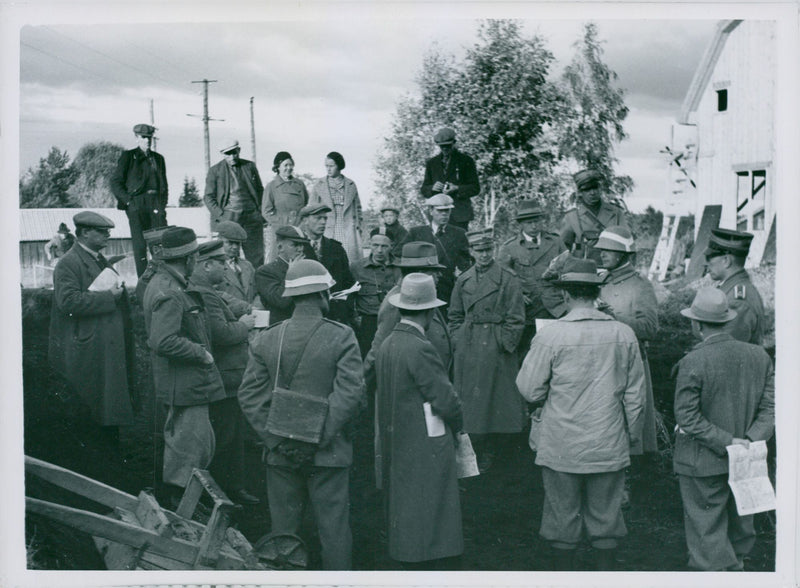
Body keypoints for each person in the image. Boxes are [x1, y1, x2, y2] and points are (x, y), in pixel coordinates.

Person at [516, 257, 645, 571]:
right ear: (596, 293)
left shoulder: (551, 335)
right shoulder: (624, 333)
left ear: (565, 295)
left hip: (562, 443)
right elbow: (636, 396)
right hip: (608, 440)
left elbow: (530, 390)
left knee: (562, 514)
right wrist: (630, 436)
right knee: (607, 516)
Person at [238, 259, 365, 570]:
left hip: (280, 454)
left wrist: (278, 441)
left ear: (292, 297)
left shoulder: (268, 337)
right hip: (328, 453)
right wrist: (316, 438)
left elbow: (249, 396)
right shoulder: (342, 336)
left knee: (284, 536)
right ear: (323, 294)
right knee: (334, 530)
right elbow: (349, 395)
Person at [673, 287, 774, 571]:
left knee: (707, 536)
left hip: (702, 461)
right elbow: (770, 410)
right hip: (748, 457)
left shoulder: (693, 360)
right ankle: (737, 569)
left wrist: (728, 442)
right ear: (727, 321)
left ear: (696, 324)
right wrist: (748, 441)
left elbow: (687, 417)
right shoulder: (760, 356)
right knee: (741, 527)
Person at [376, 273, 464, 570]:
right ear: (428, 312)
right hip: (424, 436)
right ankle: (426, 554)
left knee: (405, 497)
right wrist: (458, 424)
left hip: (397, 433)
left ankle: (406, 550)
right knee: (429, 495)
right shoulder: (420, 346)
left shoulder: (389, 343)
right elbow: (445, 399)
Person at [142, 227, 226, 505]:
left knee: (192, 448)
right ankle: (184, 515)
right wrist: (201, 354)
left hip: (184, 383)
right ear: (190, 258)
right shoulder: (170, 290)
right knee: (190, 453)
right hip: (185, 384)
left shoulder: (166, 282)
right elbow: (162, 340)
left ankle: (184, 507)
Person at [48, 211, 135, 442]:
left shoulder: (97, 258)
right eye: (102, 232)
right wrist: (110, 298)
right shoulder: (68, 263)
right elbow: (67, 302)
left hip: (102, 344)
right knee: (93, 408)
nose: (108, 236)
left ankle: (108, 455)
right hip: (88, 347)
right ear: (85, 233)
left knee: (105, 406)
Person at [188, 240, 260, 506]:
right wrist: (244, 326)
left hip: (230, 377)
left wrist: (247, 309)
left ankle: (233, 488)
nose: (225, 268)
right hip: (224, 376)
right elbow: (220, 333)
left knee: (234, 435)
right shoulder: (203, 292)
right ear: (207, 266)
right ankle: (221, 494)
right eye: (220, 263)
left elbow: (229, 301)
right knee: (225, 438)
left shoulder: (207, 288)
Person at [448, 229, 526, 472]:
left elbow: (516, 317)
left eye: (487, 250)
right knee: (472, 405)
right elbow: (455, 315)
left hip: (496, 346)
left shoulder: (507, 278)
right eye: (478, 251)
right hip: (469, 347)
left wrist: (504, 343)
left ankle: (498, 453)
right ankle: (476, 451)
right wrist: (459, 339)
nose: (483, 256)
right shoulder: (464, 280)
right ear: (471, 252)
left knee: (498, 403)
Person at [596, 225, 659, 456]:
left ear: (622, 254)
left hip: (629, 361)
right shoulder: (599, 281)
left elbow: (650, 329)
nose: (601, 254)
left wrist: (615, 317)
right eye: (601, 249)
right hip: (601, 360)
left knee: (629, 420)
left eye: (608, 250)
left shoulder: (640, 286)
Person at [497, 201, 565, 359]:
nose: (534, 226)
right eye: (529, 222)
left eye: (537, 221)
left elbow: (569, 267)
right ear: (520, 224)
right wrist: (517, 294)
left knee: (556, 353)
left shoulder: (556, 242)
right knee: (527, 354)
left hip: (555, 307)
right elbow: (501, 279)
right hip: (527, 310)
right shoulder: (510, 247)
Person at [110, 123, 168, 277]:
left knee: (160, 244)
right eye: (143, 137)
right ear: (137, 138)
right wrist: (129, 202)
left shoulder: (159, 159)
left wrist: (162, 205)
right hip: (137, 204)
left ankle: (162, 279)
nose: (147, 140)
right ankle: (143, 283)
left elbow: (165, 186)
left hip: (156, 204)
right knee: (140, 246)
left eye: (149, 137)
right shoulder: (129, 157)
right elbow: (115, 182)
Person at [401, 194, 471, 318]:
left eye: (447, 211)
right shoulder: (416, 232)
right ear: (431, 211)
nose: (444, 214)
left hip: (448, 290)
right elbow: (400, 257)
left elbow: (466, 263)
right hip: (420, 289)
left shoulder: (459, 234)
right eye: (440, 211)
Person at [204, 139, 265, 267]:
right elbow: (208, 197)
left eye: (234, 153)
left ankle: (256, 284)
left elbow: (260, 191)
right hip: (230, 218)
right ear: (222, 154)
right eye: (228, 154)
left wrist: (259, 212)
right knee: (228, 256)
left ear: (239, 150)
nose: (232, 157)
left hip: (252, 218)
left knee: (256, 257)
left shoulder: (250, 166)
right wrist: (221, 216)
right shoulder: (215, 170)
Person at [703, 228, 765, 345]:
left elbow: (728, 350)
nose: (707, 263)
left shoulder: (737, 300)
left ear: (726, 260)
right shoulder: (732, 289)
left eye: (709, 257)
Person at [299, 203, 356, 325]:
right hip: (307, 315)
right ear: (305, 220)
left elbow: (348, 283)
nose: (323, 222)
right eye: (318, 218)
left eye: (325, 218)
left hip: (335, 316)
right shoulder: (297, 248)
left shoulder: (336, 248)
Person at [349, 228, 402, 357]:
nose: (379, 250)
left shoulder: (402, 267)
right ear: (369, 244)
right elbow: (350, 297)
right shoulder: (356, 268)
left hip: (396, 322)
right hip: (368, 324)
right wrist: (356, 319)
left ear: (391, 246)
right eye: (375, 245)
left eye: (384, 246)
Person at [559, 169, 629, 265]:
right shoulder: (572, 217)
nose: (592, 192)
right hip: (583, 270)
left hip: (611, 271)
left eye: (595, 188)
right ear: (580, 192)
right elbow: (563, 249)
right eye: (587, 189)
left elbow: (626, 243)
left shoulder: (616, 212)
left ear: (600, 188)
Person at [420, 127, 480, 231]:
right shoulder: (432, 163)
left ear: (454, 143)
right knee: (438, 245)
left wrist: (457, 188)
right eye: (442, 146)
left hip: (459, 215)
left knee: (459, 245)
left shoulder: (466, 161)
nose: (445, 149)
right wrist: (432, 188)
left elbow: (475, 188)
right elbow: (424, 189)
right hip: (437, 214)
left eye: (448, 146)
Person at [311, 151, 363, 263]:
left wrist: (358, 227)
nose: (328, 169)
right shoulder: (319, 185)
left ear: (339, 166)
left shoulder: (350, 184)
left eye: (331, 166)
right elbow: (311, 209)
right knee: (327, 259)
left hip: (347, 229)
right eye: (326, 166)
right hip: (327, 228)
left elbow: (358, 209)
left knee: (348, 260)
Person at [254, 226, 309, 326]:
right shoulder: (265, 272)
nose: (300, 249)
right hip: (281, 329)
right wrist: (292, 273)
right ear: (280, 247)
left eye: (302, 245)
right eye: (295, 245)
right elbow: (281, 301)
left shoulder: (306, 268)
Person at [262, 151, 309, 261]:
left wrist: (303, 224)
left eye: (291, 165)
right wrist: (281, 223)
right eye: (285, 165)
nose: (289, 168)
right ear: (278, 167)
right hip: (281, 231)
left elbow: (307, 206)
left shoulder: (300, 184)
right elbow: (266, 211)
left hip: (299, 228)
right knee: (280, 259)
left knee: (301, 260)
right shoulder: (272, 186)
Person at [214, 220, 257, 306]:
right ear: (219, 241)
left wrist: (254, 308)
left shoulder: (247, 266)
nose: (235, 247)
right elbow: (213, 296)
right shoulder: (213, 266)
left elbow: (258, 292)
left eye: (237, 243)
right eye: (230, 242)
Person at [135, 225, 175, 304]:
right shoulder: (147, 280)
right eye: (171, 246)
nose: (177, 250)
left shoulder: (172, 271)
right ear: (156, 249)